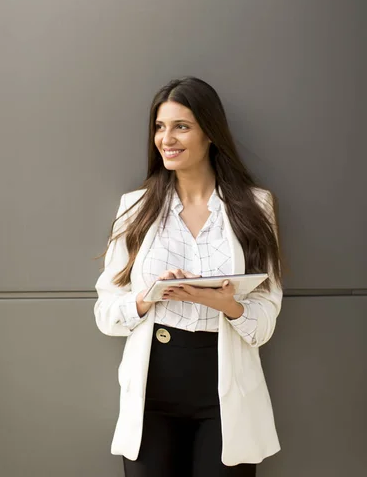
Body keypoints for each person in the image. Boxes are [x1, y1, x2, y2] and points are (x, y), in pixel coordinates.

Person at [94, 76, 283, 477]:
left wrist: (226, 305)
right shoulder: (136, 207)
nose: (167, 138)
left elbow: (265, 317)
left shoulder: (256, 206)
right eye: (160, 127)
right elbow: (106, 313)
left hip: (224, 396)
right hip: (152, 396)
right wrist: (149, 297)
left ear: (210, 133)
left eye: (182, 126)